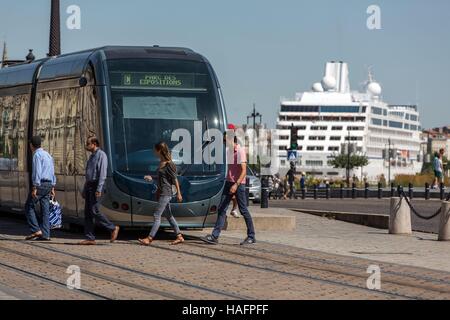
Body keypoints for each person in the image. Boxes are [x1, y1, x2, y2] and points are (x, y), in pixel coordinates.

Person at [201, 126, 256, 245]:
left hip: (239, 184)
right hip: (228, 182)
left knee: (243, 210)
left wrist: (236, 185)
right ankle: (215, 236)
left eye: (226, 140)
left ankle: (251, 236)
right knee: (222, 208)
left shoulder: (240, 151)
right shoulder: (228, 151)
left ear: (232, 139)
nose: (225, 142)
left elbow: (244, 171)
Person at [139, 142, 184, 246]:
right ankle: (179, 236)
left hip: (166, 193)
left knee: (156, 215)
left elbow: (175, 179)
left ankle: (149, 238)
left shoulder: (169, 164)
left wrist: (179, 193)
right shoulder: (161, 163)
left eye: (155, 150)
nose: (154, 152)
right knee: (168, 215)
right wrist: (152, 178)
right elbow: (161, 178)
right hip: (162, 192)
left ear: (159, 150)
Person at [78, 137, 120, 245]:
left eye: (88, 144)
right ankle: (89, 237)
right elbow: (89, 174)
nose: (86, 146)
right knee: (88, 212)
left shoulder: (101, 155)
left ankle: (113, 228)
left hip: (97, 185)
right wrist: (84, 188)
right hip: (89, 185)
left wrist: (99, 188)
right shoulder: (91, 156)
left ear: (94, 144)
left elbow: (102, 173)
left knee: (95, 210)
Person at [25, 136, 56, 241]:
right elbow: (52, 170)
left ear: (31, 145)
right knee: (45, 210)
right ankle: (46, 234)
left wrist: (35, 187)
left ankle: (35, 230)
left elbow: (37, 172)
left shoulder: (37, 155)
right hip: (48, 184)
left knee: (29, 206)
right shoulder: (47, 155)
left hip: (41, 184)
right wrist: (52, 186)